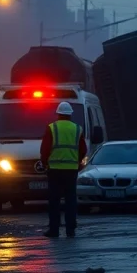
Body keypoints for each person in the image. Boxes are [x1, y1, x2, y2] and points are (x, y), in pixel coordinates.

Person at [39, 101, 88, 238]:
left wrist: (45, 163)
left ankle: (54, 230)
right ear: (70, 115)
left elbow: (45, 149)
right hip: (71, 170)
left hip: (54, 170)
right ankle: (70, 230)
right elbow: (83, 150)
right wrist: (76, 161)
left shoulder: (52, 128)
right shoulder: (77, 129)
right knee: (70, 200)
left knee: (54, 201)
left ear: (58, 114)